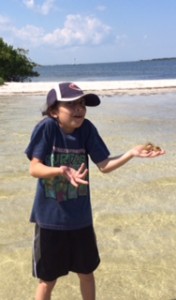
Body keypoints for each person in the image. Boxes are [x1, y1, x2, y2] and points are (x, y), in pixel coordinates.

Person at [25, 82, 165, 300]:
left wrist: (131, 153)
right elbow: (34, 168)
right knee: (47, 280)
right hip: (50, 221)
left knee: (87, 273)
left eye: (82, 104)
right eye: (71, 104)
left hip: (80, 220)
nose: (79, 109)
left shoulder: (87, 129)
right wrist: (60, 170)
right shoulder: (47, 128)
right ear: (54, 111)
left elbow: (104, 165)